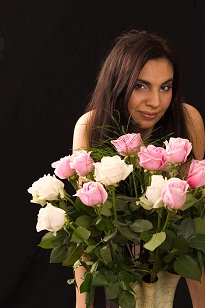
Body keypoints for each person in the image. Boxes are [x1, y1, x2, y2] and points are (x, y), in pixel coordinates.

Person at [72, 30, 205, 308]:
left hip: (165, 287)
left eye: (165, 87)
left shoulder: (188, 121)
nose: (155, 102)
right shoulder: (90, 126)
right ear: (119, 84)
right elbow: (88, 237)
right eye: (141, 86)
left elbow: (196, 229)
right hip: (117, 287)